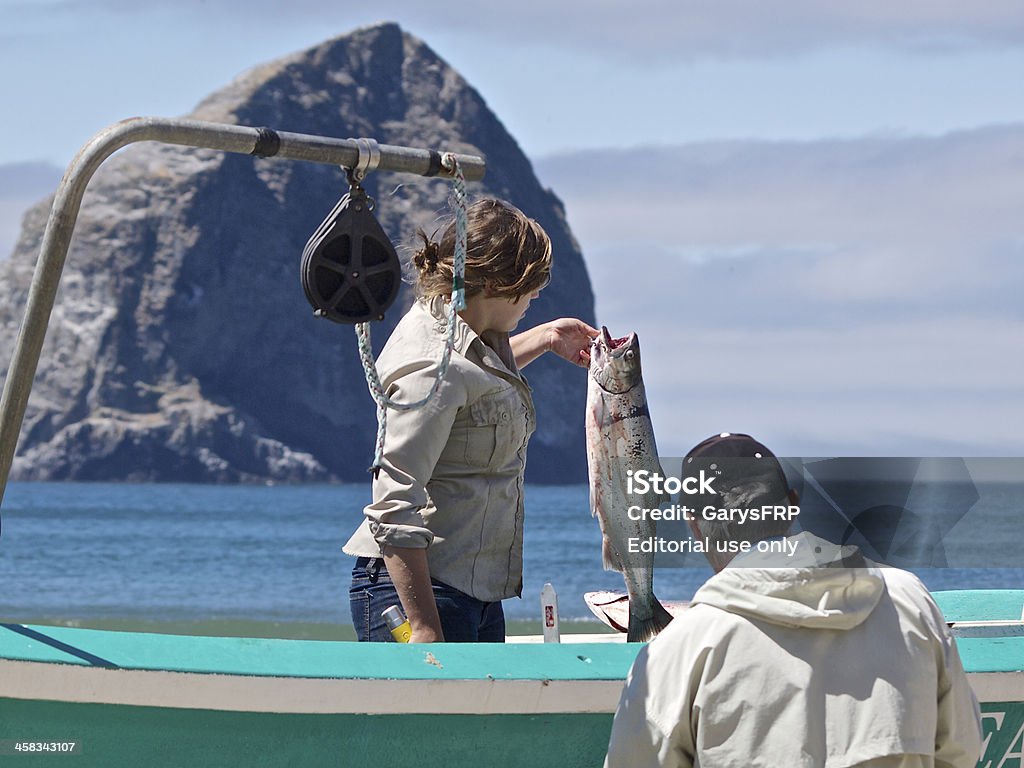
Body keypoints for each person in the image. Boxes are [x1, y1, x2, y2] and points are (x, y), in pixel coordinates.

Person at [604, 432, 982, 767]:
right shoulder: (907, 601)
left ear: (693, 523)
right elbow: (961, 749)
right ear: (792, 504)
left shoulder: (680, 651)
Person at [343, 198, 598, 643]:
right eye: (531, 284)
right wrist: (423, 627)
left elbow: (472, 389)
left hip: (471, 591)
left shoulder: (467, 338)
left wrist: (543, 338)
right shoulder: (430, 365)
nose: (537, 295)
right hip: (421, 595)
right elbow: (394, 500)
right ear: (498, 283)